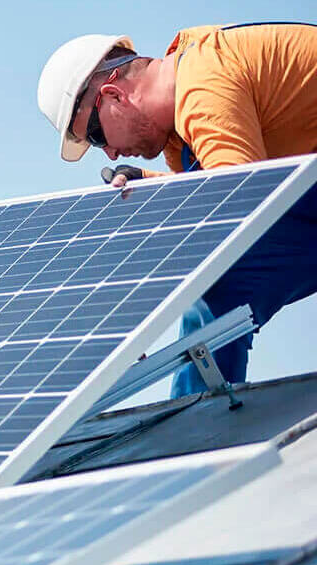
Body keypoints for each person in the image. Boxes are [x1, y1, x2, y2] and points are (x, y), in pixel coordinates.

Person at [37, 22, 317, 398]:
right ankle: (203, 425)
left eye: (97, 136)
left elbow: (239, 207)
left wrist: (135, 308)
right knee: (217, 292)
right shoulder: (179, 131)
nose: (111, 154)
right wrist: (153, 191)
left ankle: (202, 429)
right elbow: (219, 194)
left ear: (113, 94)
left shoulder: (202, 81)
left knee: (218, 280)